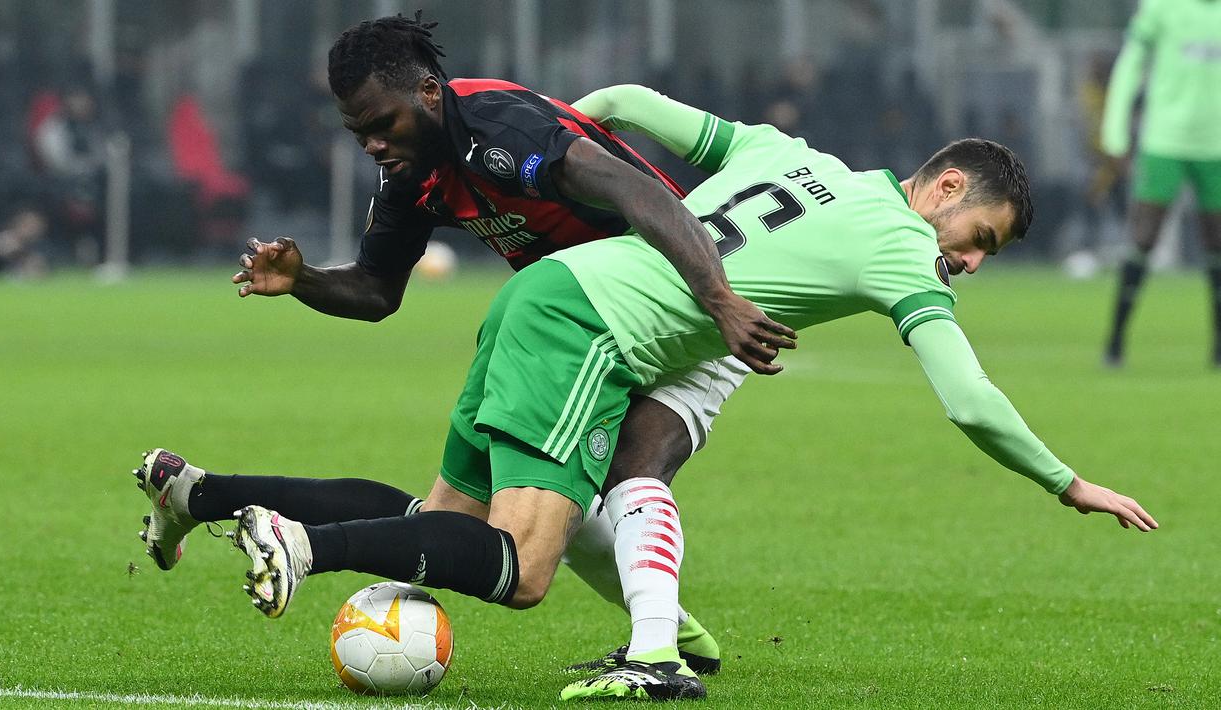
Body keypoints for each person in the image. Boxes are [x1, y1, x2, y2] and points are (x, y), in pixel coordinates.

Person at [138, 88, 1157, 702]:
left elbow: (624, 103)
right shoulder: (901, 245)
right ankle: (307, 546)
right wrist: (1066, 481)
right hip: (595, 329)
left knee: (438, 520)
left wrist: (555, 134)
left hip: (540, 297)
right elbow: (969, 399)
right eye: (977, 237)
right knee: (523, 562)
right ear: (942, 190)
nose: (969, 262)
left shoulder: (788, 154)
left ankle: (202, 491)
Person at [136, 11, 793, 680]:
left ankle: (207, 497)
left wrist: (719, 299)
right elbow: (375, 291)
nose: (370, 144)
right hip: (565, 330)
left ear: (427, 92)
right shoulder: (411, 176)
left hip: (640, 315)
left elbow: (638, 189)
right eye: (356, 132)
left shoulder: (501, 129)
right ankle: (285, 536)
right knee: (516, 552)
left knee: (476, 520)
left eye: (379, 124)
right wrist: (303, 280)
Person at [1101, 0, 1221, 366]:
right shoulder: (1161, 7)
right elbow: (1130, 64)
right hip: (1165, 141)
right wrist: (1115, 133)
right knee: (1143, 237)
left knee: (1217, 243)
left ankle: (1218, 349)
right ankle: (1115, 342)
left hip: (1215, 144)